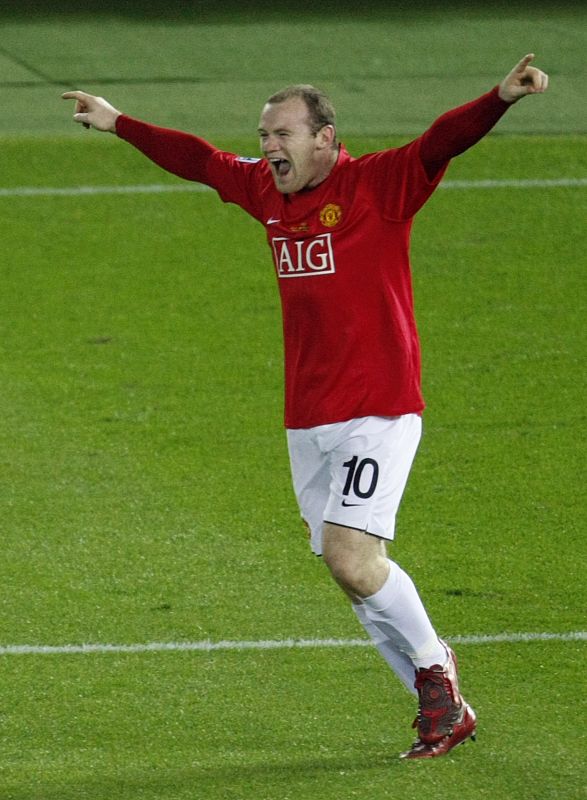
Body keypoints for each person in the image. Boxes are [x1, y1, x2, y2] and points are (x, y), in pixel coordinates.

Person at [63, 53, 548, 759]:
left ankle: (435, 670)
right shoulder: (266, 190)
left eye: (282, 133)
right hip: (308, 415)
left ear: (324, 138)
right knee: (352, 573)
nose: (268, 146)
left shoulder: (378, 184)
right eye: (263, 135)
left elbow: (439, 142)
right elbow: (200, 160)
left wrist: (499, 98)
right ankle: (443, 710)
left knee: (352, 559)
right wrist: (118, 123)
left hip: (379, 405)